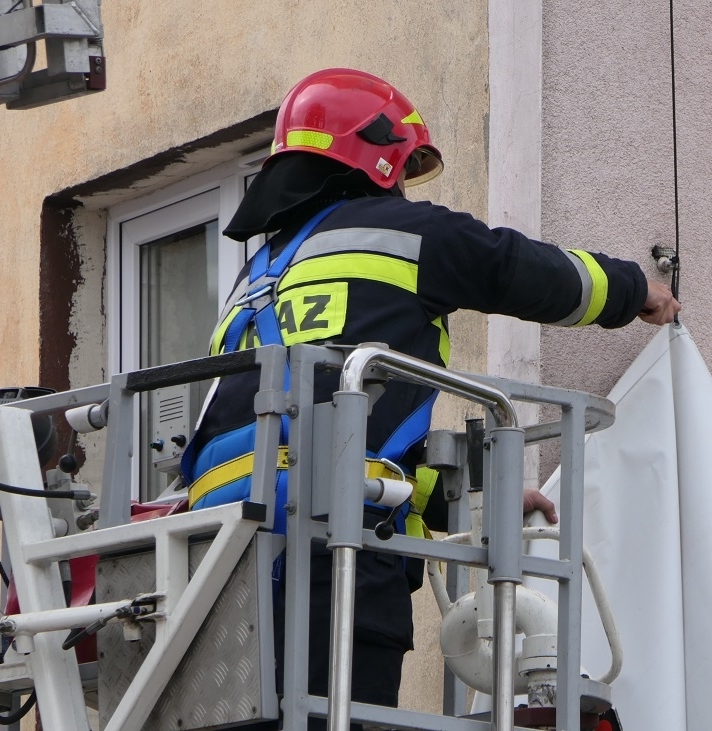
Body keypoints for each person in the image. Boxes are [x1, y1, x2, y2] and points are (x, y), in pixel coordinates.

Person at [181, 68, 681, 727]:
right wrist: (633, 290)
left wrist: (460, 499)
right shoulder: (405, 233)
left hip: (217, 564)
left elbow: (319, 446)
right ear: (379, 155)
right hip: (335, 557)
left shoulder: (257, 276)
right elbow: (515, 267)